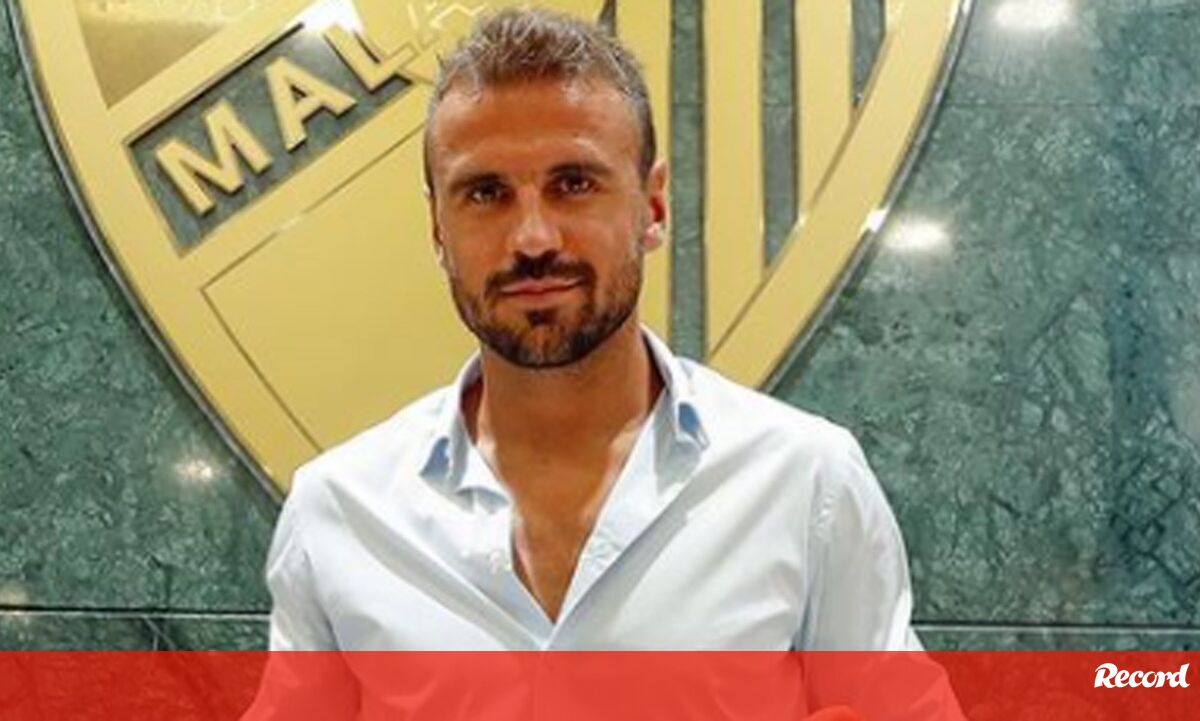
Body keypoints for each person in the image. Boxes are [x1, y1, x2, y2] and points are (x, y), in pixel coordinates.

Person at [265, 6, 920, 659]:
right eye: (486, 193)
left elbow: (894, 706)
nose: (533, 240)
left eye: (574, 183)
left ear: (653, 206)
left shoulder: (806, 484)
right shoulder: (338, 511)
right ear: (439, 228)